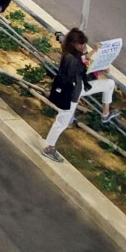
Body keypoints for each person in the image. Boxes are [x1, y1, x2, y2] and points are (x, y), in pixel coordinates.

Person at [41, 28, 92, 161]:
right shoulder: (71, 59)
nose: (83, 47)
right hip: (70, 95)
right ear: (74, 44)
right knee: (61, 122)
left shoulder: (73, 55)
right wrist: (86, 59)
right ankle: (49, 148)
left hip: (75, 93)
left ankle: (105, 113)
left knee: (108, 84)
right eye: (81, 44)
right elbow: (75, 72)